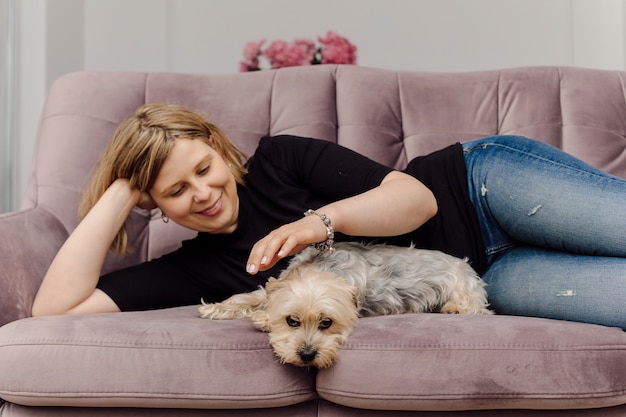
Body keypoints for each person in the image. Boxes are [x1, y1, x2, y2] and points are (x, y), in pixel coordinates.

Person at [31, 103, 626, 330]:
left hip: (484, 186)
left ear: (218, 144)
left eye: (204, 168)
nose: (203, 194)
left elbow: (419, 202)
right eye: (175, 191)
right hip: (484, 278)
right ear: (153, 205)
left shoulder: (281, 159)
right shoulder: (198, 270)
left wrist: (319, 223)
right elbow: (54, 309)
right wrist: (118, 190)